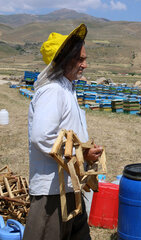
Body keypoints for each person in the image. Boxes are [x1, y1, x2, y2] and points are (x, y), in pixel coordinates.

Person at [23, 23, 103, 240]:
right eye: (81, 59)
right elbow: (42, 137)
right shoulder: (52, 92)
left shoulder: (66, 89)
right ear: (65, 60)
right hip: (51, 193)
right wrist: (81, 155)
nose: (85, 65)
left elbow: (66, 135)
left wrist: (85, 151)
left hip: (69, 187)